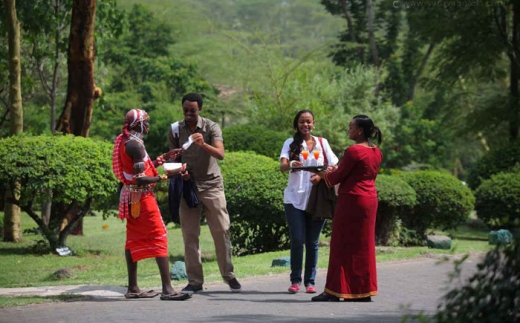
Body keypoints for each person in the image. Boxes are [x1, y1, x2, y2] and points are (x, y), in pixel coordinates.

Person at [112, 109, 190, 301]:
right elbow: (140, 179)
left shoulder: (127, 140)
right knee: (159, 235)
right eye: (145, 122)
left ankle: (133, 288)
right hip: (142, 198)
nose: (148, 125)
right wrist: (166, 175)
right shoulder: (135, 145)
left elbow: (140, 169)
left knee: (132, 240)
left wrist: (164, 158)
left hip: (131, 198)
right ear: (137, 124)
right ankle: (167, 289)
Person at [167, 93, 241, 294]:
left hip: (211, 184)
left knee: (221, 229)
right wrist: (178, 171)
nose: (189, 114)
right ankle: (195, 281)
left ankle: (228, 275)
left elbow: (221, 154)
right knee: (190, 234)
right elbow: (173, 157)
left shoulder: (211, 127)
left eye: (193, 110)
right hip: (188, 185)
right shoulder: (175, 129)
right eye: (186, 110)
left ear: (199, 110)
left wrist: (203, 144)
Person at [310, 115, 383, 302]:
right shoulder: (376, 151)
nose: (348, 130)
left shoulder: (354, 151)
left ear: (359, 130)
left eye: (351, 127)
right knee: (363, 245)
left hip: (352, 199)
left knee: (341, 244)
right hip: (370, 199)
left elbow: (336, 178)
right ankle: (362, 291)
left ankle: (334, 291)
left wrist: (319, 172)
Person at [279, 110, 339, 294]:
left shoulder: (323, 143)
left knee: (312, 242)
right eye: (301, 122)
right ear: (296, 124)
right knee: (297, 240)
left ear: (313, 123)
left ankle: (310, 282)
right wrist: (291, 164)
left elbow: (335, 165)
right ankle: (295, 280)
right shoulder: (290, 143)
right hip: (294, 198)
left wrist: (321, 177)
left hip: (316, 199)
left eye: (308, 122)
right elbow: (282, 166)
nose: (305, 125)